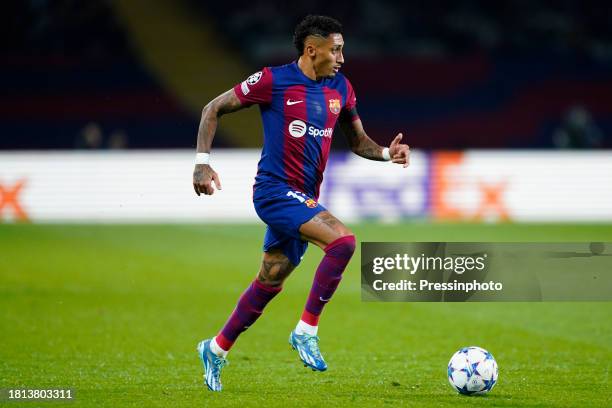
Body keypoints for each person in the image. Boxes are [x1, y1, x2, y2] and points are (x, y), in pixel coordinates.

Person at [192, 15, 410, 392]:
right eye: (336, 49)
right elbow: (212, 109)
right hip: (274, 192)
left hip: (305, 197)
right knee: (343, 242)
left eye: (343, 49)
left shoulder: (341, 87)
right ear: (312, 49)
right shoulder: (272, 81)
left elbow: (358, 143)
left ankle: (216, 348)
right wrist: (201, 163)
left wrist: (388, 154)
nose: (342, 57)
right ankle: (306, 330)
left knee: (270, 279)